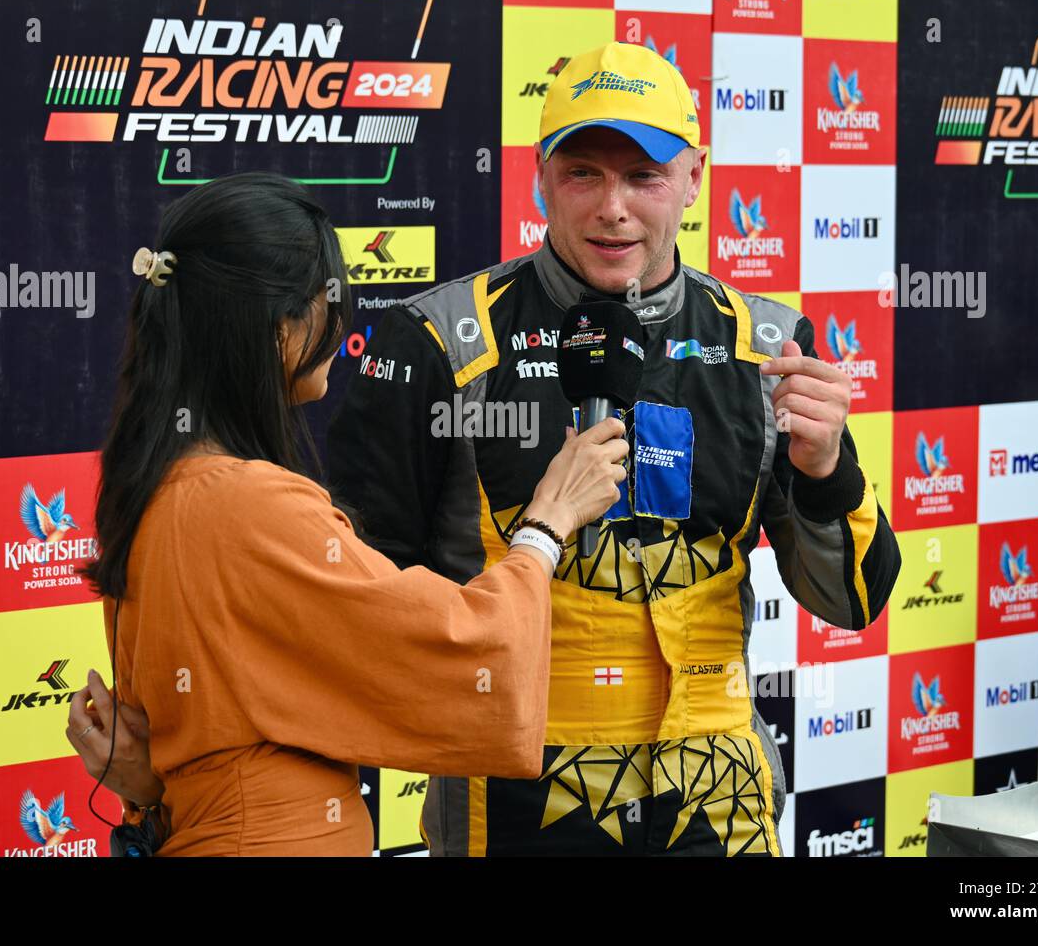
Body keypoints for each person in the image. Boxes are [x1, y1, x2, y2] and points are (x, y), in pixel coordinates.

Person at [322, 42, 902, 856]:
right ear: (540, 175)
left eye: (645, 177)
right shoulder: (438, 342)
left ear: (696, 178)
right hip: (514, 795)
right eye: (584, 173)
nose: (613, 209)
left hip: (717, 795)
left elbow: (852, 602)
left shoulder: (766, 344)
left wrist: (826, 472)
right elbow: (360, 611)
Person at [66, 171, 630, 856]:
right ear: (279, 327)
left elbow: (210, 728)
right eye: (329, 302)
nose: (344, 326)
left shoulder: (155, 488)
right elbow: (465, 652)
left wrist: (151, 785)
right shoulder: (248, 504)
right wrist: (549, 519)